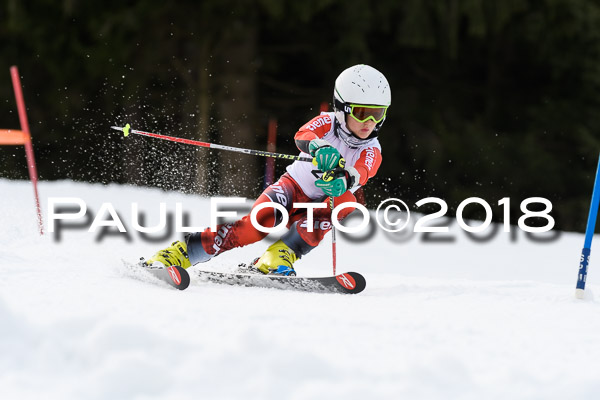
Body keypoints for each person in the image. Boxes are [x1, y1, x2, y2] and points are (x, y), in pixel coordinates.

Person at [145, 64, 391, 275]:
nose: (369, 123)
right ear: (342, 108)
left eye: (377, 114)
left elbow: (363, 170)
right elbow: (303, 135)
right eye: (361, 113)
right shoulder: (328, 122)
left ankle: (277, 256)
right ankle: (182, 252)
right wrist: (318, 146)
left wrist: (345, 179)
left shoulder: (372, 148)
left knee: (345, 204)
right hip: (292, 188)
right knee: (254, 227)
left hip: (321, 204)